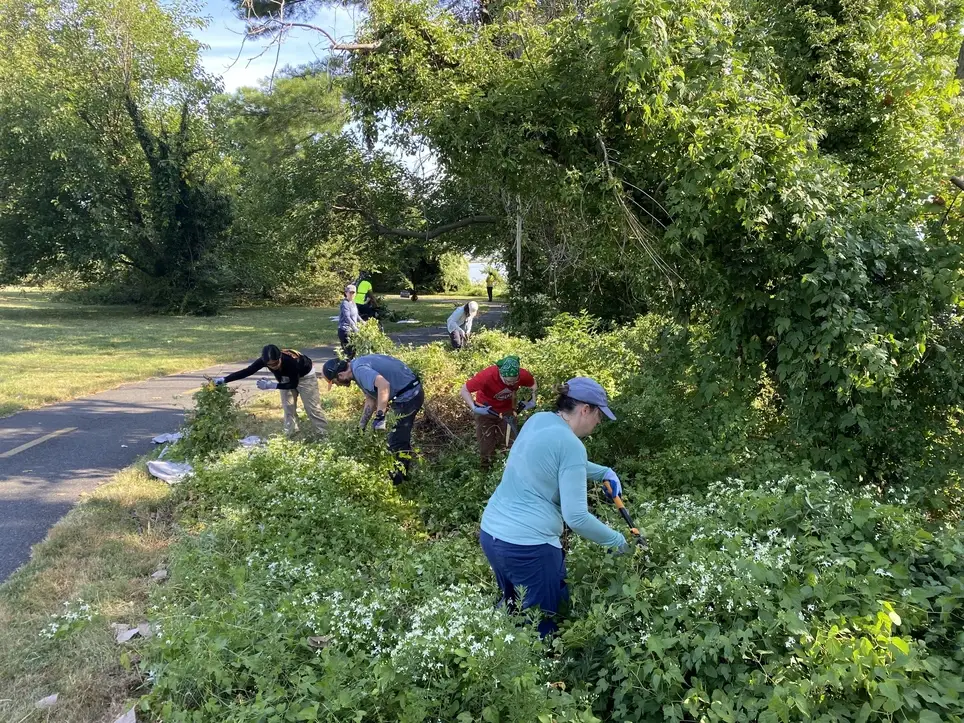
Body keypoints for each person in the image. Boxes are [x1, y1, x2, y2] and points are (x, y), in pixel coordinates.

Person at [479, 377, 626, 637]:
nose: (599, 422)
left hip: (492, 534)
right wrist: (616, 540)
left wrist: (603, 472)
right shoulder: (571, 445)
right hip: (527, 547)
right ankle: (542, 670)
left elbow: (552, 462)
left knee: (514, 606)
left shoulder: (540, 420)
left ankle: (499, 656)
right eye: (598, 415)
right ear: (584, 409)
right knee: (544, 624)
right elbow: (577, 517)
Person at [322, 354, 424, 485]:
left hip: (409, 396)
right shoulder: (357, 368)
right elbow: (371, 399)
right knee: (399, 437)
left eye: (335, 383)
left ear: (340, 375)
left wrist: (380, 416)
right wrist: (362, 426)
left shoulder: (359, 370)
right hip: (406, 395)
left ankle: (397, 483)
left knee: (395, 442)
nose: (339, 386)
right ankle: (402, 475)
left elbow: (384, 385)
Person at [215, 345, 327, 437]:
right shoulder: (264, 361)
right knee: (288, 408)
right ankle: (291, 434)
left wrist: (273, 385)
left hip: (305, 376)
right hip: (286, 378)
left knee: (312, 408)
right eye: (270, 365)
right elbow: (247, 371)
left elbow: (294, 384)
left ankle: (323, 434)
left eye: (275, 363)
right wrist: (225, 379)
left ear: (280, 358)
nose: (274, 367)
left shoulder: (291, 361)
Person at [459, 355, 537, 469]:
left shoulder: (523, 375)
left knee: (509, 442)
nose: (511, 384)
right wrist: (474, 408)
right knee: (486, 443)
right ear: (501, 374)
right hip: (485, 410)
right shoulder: (487, 376)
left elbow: (533, 384)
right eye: (508, 381)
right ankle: (486, 469)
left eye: (514, 381)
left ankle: (507, 469)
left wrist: (532, 401)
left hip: (508, 410)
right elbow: (464, 390)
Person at [338, 284, 362, 358]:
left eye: (353, 293)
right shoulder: (345, 303)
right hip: (345, 331)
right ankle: (345, 368)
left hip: (352, 330)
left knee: (354, 352)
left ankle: (349, 368)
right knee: (349, 354)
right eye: (350, 292)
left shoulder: (353, 302)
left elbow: (356, 315)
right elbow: (347, 317)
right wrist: (355, 328)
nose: (352, 294)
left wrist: (362, 321)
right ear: (346, 293)